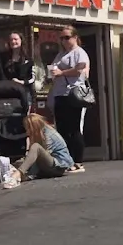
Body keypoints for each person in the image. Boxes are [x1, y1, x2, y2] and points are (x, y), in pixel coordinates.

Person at [47, 25, 90, 172]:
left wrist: (61, 72)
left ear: (75, 37)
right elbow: (55, 69)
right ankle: (66, 160)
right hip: (59, 94)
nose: (64, 41)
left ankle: (78, 161)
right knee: (62, 129)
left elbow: (79, 70)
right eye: (62, 38)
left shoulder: (79, 52)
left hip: (73, 94)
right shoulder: (61, 54)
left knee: (74, 129)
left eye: (67, 37)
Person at [3, 114, 75, 188]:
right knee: (22, 162)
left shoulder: (49, 134)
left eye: (28, 128)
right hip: (50, 165)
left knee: (35, 147)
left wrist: (28, 173)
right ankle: (18, 174)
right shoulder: (40, 132)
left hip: (58, 166)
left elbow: (39, 157)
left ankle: (17, 175)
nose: (27, 131)